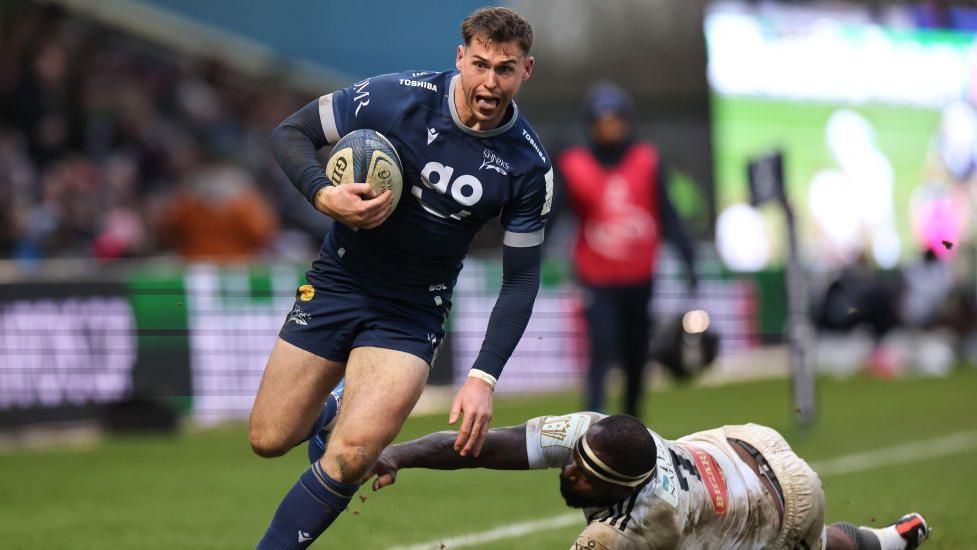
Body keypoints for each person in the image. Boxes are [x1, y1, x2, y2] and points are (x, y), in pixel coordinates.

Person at [250, 7, 553, 548]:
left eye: (504, 69)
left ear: (526, 70)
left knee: (350, 456)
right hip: (338, 283)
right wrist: (325, 194)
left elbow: (521, 282)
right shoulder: (395, 96)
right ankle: (332, 409)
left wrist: (483, 378)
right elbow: (289, 132)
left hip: (412, 314)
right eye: (479, 64)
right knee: (269, 439)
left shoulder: (529, 167)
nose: (489, 82)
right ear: (459, 57)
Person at [369, 412, 930, 550]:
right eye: (574, 462)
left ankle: (886, 540)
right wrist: (397, 453)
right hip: (741, 442)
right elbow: (487, 445)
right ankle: (889, 539)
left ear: (620, 490)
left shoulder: (648, 520)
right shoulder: (595, 433)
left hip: (782, 500)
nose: (570, 473)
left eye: (585, 479)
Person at [556, 83, 697, 416]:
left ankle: (633, 420)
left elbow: (668, 213)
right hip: (596, 277)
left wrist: (687, 256)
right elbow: (553, 213)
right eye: (603, 122)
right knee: (602, 346)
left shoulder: (646, 160)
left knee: (636, 352)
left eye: (615, 120)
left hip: (639, 275)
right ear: (591, 125)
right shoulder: (574, 165)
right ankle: (592, 420)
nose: (610, 129)